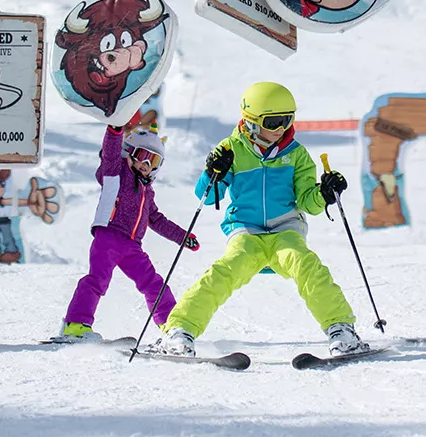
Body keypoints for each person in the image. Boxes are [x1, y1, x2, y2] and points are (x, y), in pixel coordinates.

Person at [151, 82, 367, 358]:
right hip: (246, 231)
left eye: (286, 120)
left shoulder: (296, 154)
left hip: (285, 229)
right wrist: (213, 172)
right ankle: (179, 331)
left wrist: (325, 194)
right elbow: (206, 197)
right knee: (224, 271)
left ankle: (341, 330)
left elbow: (307, 203)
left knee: (306, 265)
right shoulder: (231, 149)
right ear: (252, 121)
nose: (280, 128)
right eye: (273, 121)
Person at [58, 125, 198, 340]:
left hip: (133, 246)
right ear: (128, 153)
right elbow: (110, 152)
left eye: (154, 161)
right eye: (142, 156)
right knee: (97, 281)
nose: (146, 165)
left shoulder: (147, 192)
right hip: (109, 237)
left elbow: (157, 220)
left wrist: (183, 237)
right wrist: (115, 131)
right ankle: (75, 325)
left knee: (154, 284)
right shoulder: (115, 173)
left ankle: (171, 325)